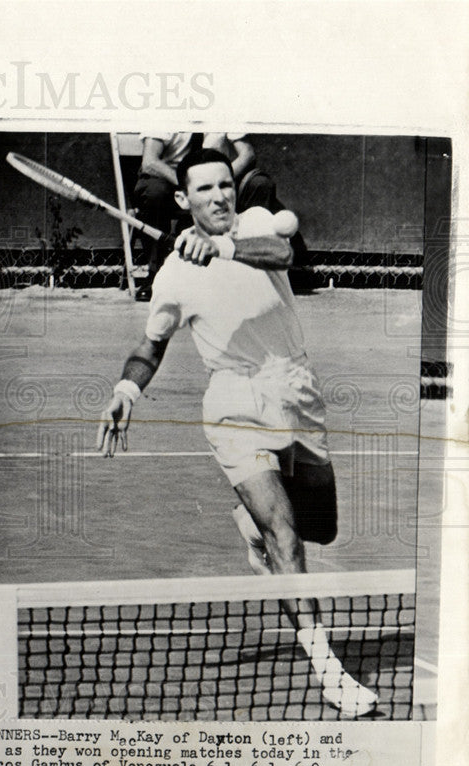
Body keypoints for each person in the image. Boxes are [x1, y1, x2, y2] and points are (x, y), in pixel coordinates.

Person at [97, 148, 377, 718]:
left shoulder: (254, 224)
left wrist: (222, 246)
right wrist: (126, 392)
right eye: (205, 190)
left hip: (297, 390)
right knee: (286, 535)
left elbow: (283, 255)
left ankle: (251, 527)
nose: (220, 197)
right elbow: (150, 347)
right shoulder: (172, 273)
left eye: (225, 185)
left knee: (319, 527)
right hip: (232, 400)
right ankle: (329, 671)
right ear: (183, 200)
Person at [131, 133, 307, 300]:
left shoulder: (257, 216)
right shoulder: (170, 276)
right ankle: (153, 273)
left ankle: (255, 273)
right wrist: (192, 184)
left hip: (218, 172)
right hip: (172, 180)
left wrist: (221, 180)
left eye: (225, 187)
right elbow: (150, 162)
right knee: (153, 191)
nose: (220, 198)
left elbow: (247, 154)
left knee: (259, 184)